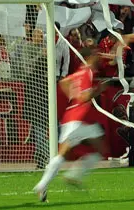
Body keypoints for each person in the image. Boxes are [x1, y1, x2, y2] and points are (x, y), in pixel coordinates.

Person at [33, 47, 108, 201]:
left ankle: (44, 184)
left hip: (71, 117)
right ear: (89, 58)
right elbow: (84, 97)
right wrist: (99, 89)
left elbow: (64, 82)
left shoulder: (79, 72)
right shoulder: (88, 71)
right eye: (95, 55)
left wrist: (71, 95)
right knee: (100, 149)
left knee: (64, 153)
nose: (98, 58)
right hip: (79, 118)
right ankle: (72, 176)